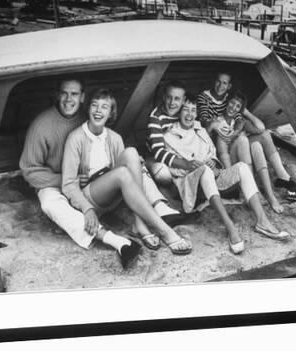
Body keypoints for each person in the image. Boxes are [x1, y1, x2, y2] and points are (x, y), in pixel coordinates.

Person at [20, 78, 182, 269]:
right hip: (57, 181)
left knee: (132, 157)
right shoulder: (44, 126)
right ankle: (122, 236)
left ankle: (147, 216)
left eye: (74, 94)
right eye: (64, 93)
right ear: (57, 95)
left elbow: (115, 158)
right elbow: (30, 171)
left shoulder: (97, 123)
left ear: (82, 98)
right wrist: (68, 181)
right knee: (50, 203)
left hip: (98, 185)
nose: (68, 99)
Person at [62, 88, 193, 260]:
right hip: (91, 198)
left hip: (114, 194)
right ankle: (165, 231)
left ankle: (139, 223)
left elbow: (129, 169)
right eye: (94, 105)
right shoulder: (76, 138)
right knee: (123, 173)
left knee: (131, 152)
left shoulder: (114, 137)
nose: (98, 111)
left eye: (104, 107)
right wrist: (86, 209)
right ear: (88, 109)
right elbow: (68, 184)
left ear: (110, 114)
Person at [164, 94, 290, 249]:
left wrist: (215, 165)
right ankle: (230, 228)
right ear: (179, 112)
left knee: (243, 167)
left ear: (196, 113)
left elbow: (213, 154)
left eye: (193, 110)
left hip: (212, 179)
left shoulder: (201, 131)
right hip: (192, 185)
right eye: (185, 110)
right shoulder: (170, 135)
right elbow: (173, 169)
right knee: (204, 170)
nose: (189, 114)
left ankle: (263, 221)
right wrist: (196, 165)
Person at [198, 71, 296, 211]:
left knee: (259, 142)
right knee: (243, 140)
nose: (221, 86)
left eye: (225, 83)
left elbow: (260, 128)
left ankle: (277, 185)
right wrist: (216, 126)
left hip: (236, 143)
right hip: (227, 153)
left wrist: (244, 113)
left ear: (229, 86)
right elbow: (206, 125)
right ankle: (252, 191)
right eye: (219, 81)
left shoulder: (236, 113)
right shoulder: (207, 101)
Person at [146, 80, 204, 185]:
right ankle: (173, 188)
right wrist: (185, 164)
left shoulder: (183, 110)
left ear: (183, 100)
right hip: (158, 157)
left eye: (177, 99)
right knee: (161, 172)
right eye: (169, 97)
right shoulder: (155, 117)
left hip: (182, 152)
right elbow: (158, 152)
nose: (172, 103)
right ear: (164, 97)